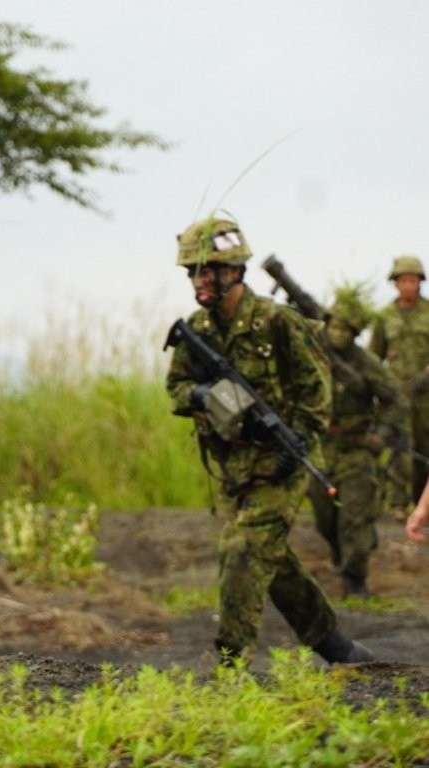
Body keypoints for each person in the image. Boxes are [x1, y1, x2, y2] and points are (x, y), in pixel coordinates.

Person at [165, 215, 373, 665]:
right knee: (270, 557)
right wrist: (203, 394)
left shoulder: (277, 322)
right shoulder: (197, 331)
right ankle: (335, 646)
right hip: (234, 467)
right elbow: (176, 388)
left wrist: (295, 438)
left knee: (242, 549)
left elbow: (318, 391)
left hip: (285, 461)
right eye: (192, 272)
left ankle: (231, 664)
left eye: (206, 271)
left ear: (234, 271)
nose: (198, 281)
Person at [305, 290, 407, 599]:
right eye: (333, 327)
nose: (336, 334)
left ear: (354, 334)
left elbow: (395, 401)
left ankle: (355, 579)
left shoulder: (366, 363)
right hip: (322, 447)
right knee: (324, 518)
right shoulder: (315, 355)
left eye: (344, 330)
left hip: (356, 448)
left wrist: (382, 434)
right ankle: (345, 551)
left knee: (354, 515)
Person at [368, 255, 429, 520]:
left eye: (412, 280)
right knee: (400, 449)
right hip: (396, 395)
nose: (408, 285)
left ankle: (421, 504)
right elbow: (373, 357)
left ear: (419, 283)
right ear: (395, 283)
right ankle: (397, 503)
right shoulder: (384, 317)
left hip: (426, 396)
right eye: (403, 280)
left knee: (424, 451)